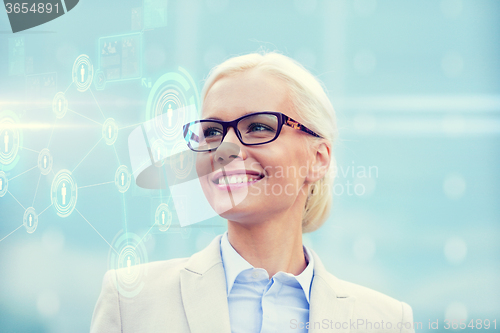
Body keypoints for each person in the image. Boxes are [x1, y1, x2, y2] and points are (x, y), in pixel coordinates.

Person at [90, 52, 415, 333]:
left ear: (318, 159)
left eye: (258, 127)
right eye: (213, 132)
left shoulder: (384, 322)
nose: (226, 149)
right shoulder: (130, 301)